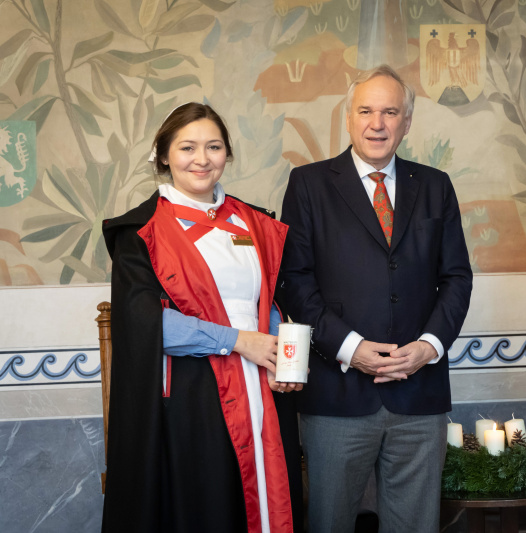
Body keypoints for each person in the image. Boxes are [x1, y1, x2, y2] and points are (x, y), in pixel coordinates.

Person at [280, 64, 473, 532]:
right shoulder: (308, 185)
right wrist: (351, 349)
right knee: (329, 522)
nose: (377, 123)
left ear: (407, 122)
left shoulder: (435, 185)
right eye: (366, 110)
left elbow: (457, 278)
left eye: (390, 112)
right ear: (348, 118)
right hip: (337, 394)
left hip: (419, 393)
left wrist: (428, 347)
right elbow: (294, 282)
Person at [102, 102, 303, 533]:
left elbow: (268, 300)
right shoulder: (140, 231)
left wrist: (283, 362)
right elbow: (148, 327)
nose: (201, 158)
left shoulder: (253, 221)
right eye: (187, 147)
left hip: (262, 390)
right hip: (193, 397)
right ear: (163, 155)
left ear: (227, 155)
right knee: (210, 507)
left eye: (213, 147)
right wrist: (239, 341)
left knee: (270, 503)